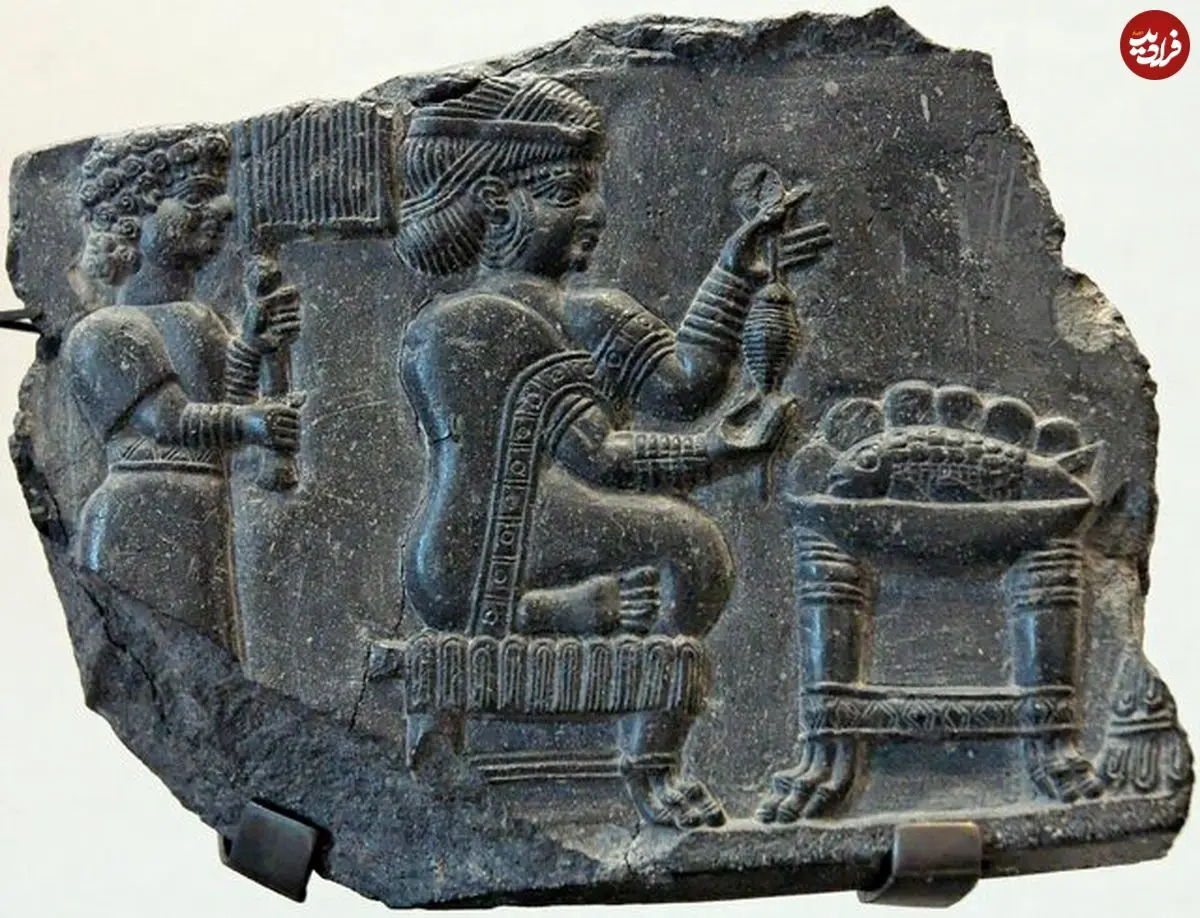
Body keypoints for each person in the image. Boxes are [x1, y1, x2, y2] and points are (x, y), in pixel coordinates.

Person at [395, 75, 821, 828]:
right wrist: (719, 452)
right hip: (490, 548)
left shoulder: (564, 315)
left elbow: (684, 384)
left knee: (683, 540)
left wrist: (735, 271)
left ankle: (610, 705)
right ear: (498, 204)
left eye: (591, 189)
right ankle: (647, 757)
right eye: (567, 192)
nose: (594, 212)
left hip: (445, 566)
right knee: (694, 546)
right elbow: (601, 458)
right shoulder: (487, 323)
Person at [64, 125, 300, 656]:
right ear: (133, 218)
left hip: (197, 509)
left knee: (207, 655)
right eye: (195, 197)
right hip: (143, 511)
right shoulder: (108, 330)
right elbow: (169, 421)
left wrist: (253, 345)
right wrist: (253, 423)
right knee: (174, 655)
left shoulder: (202, 318)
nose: (223, 209)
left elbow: (222, 400)